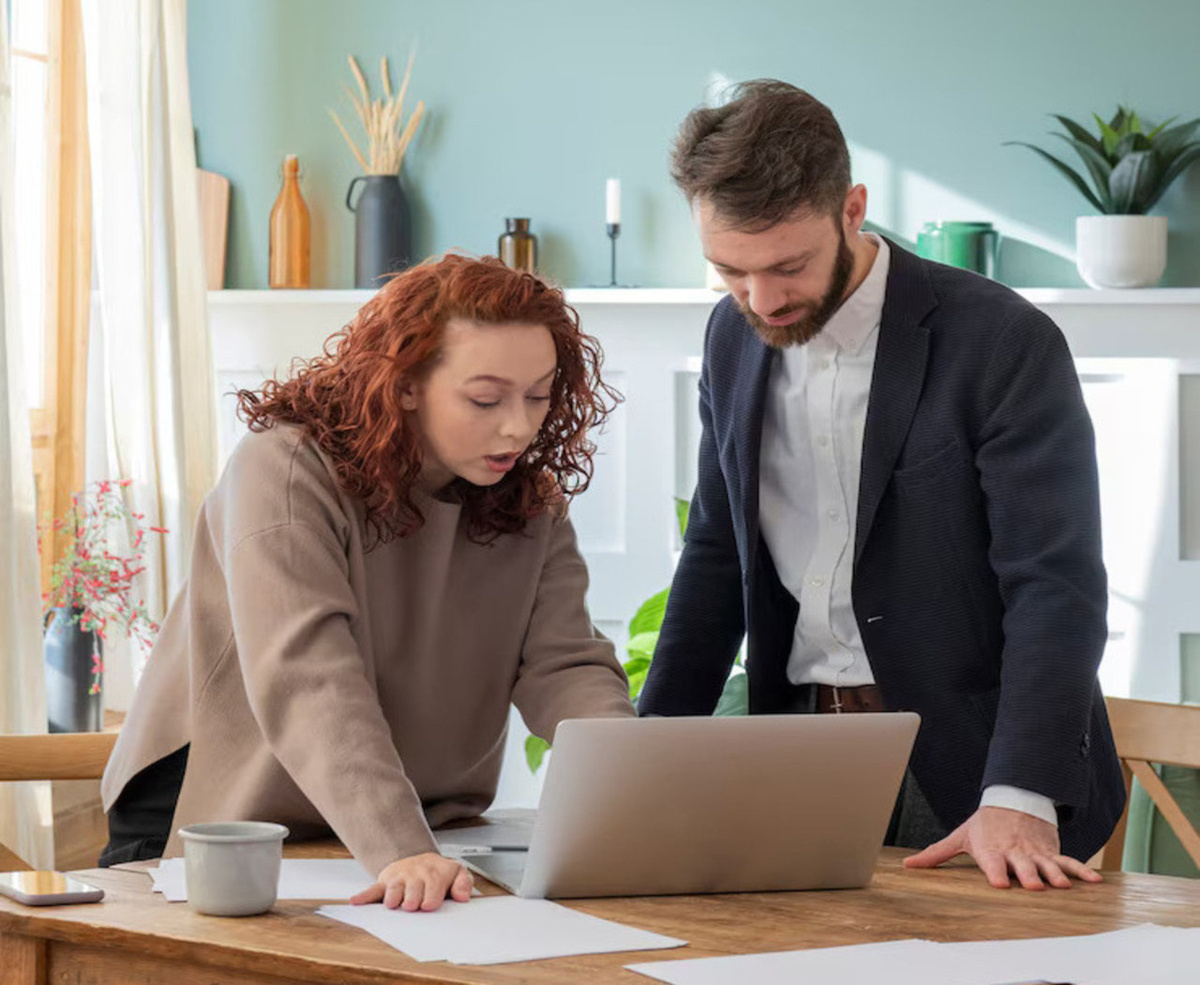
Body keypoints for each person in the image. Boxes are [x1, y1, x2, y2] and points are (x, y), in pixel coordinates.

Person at [637, 80, 1126, 890]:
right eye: (730, 270)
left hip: (975, 763)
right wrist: (645, 757)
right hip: (797, 747)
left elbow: (1056, 583)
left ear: (853, 209)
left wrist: (1021, 789)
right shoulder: (730, 336)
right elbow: (717, 556)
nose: (762, 300)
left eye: (789, 266)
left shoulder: (1003, 341)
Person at [100, 254, 634, 911]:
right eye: (486, 398)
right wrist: (399, 845)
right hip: (218, 819)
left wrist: (635, 790)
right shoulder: (285, 468)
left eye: (539, 394)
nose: (518, 426)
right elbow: (310, 679)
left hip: (412, 831)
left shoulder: (532, 502)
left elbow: (565, 663)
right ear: (405, 382)